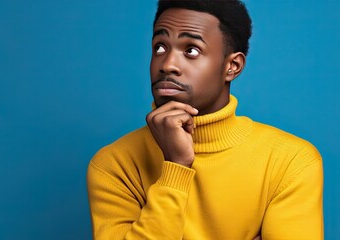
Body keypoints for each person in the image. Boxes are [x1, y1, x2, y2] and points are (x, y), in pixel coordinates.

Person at [86, 0, 324, 239]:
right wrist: (176, 166)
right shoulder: (114, 165)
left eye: (191, 50)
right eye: (160, 47)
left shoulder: (290, 161)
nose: (167, 65)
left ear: (232, 66)